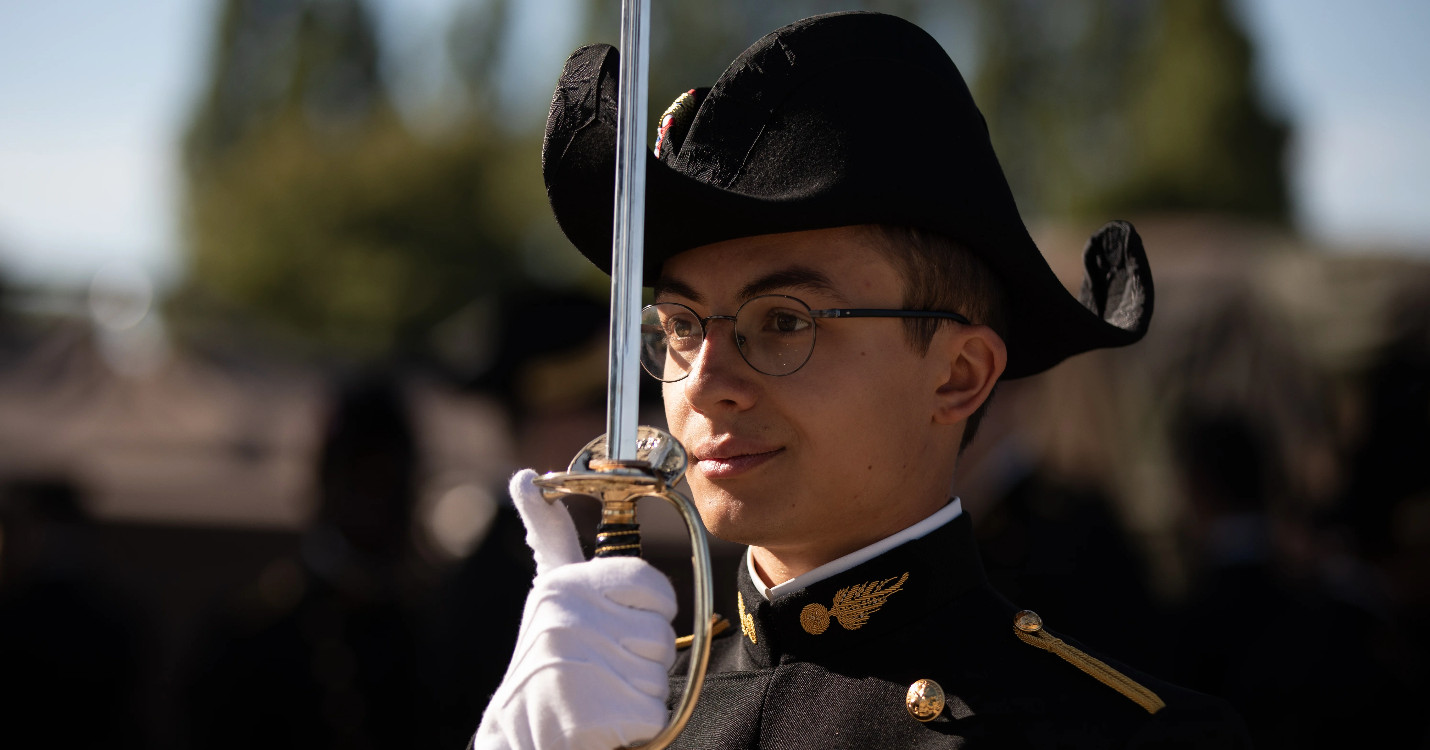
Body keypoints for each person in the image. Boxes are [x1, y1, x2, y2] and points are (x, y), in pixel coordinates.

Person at [475, 11, 1249, 749]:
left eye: (783, 322)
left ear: (958, 375)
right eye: (680, 325)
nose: (704, 382)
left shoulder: (1123, 737)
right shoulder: (623, 709)